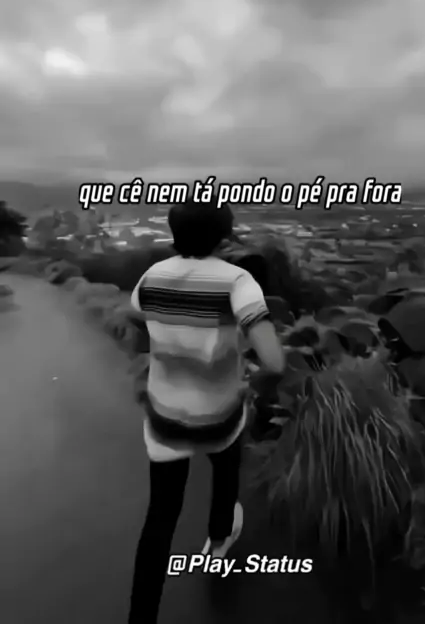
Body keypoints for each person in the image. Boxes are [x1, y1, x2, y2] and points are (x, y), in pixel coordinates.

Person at [128, 196, 285, 623]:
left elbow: (135, 317)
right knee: (227, 463)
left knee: (160, 517)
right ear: (224, 235)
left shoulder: (152, 275)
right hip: (219, 415)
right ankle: (218, 538)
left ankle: (141, 616)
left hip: (164, 419)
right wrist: (247, 370)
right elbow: (274, 361)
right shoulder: (237, 281)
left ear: (175, 232)